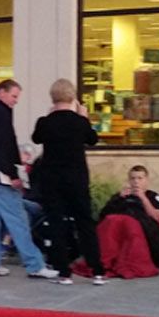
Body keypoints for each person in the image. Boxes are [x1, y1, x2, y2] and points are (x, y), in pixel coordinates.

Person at [0, 79, 57, 279]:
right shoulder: (1, 114)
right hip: (1, 178)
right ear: (1, 92)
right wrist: (13, 175)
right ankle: (35, 264)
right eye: (14, 96)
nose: (16, 101)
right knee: (18, 220)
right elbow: (4, 147)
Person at [32, 78, 105, 286]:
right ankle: (97, 271)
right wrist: (84, 117)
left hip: (52, 180)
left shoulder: (45, 122)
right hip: (77, 178)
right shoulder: (79, 122)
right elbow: (92, 139)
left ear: (52, 98)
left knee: (56, 223)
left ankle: (63, 272)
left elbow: (36, 138)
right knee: (84, 222)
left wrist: (49, 116)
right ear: (73, 97)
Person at [77, 165, 159, 279]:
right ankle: (101, 262)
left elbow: (157, 217)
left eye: (140, 178)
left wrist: (143, 198)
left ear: (147, 180)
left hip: (143, 228)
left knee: (128, 224)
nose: (136, 181)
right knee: (111, 221)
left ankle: (128, 263)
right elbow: (103, 215)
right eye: (133, 178)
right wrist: (118, 199)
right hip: (116, 226)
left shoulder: (153, 197)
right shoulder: (121, 195)